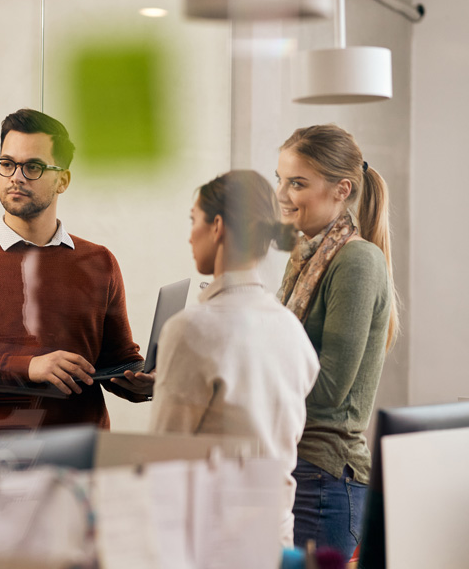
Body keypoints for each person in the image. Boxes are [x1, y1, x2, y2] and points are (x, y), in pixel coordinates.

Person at [0, 108, 153, 436]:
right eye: (7, 164)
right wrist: (28, 367)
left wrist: (144, 381)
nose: (16, 177)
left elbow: (117, 360)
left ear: (62, 180)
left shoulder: (100, 262)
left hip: (84, 454)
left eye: (33, 167)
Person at [149, 170, 320, 548]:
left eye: (193, 220)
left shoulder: (191, 329)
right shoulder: (291, 329)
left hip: (211, 541)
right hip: (275, 538)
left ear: (218, 227)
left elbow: (163, 460)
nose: (189, 235)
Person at [275, 125, 396, 558]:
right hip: (296, 466)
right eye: (280, 180)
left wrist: (242, 380)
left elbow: (327, 390)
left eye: (297, 183)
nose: (282, 195)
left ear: (342, 189)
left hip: (323, 475)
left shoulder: (357, 260)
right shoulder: (306, 256)